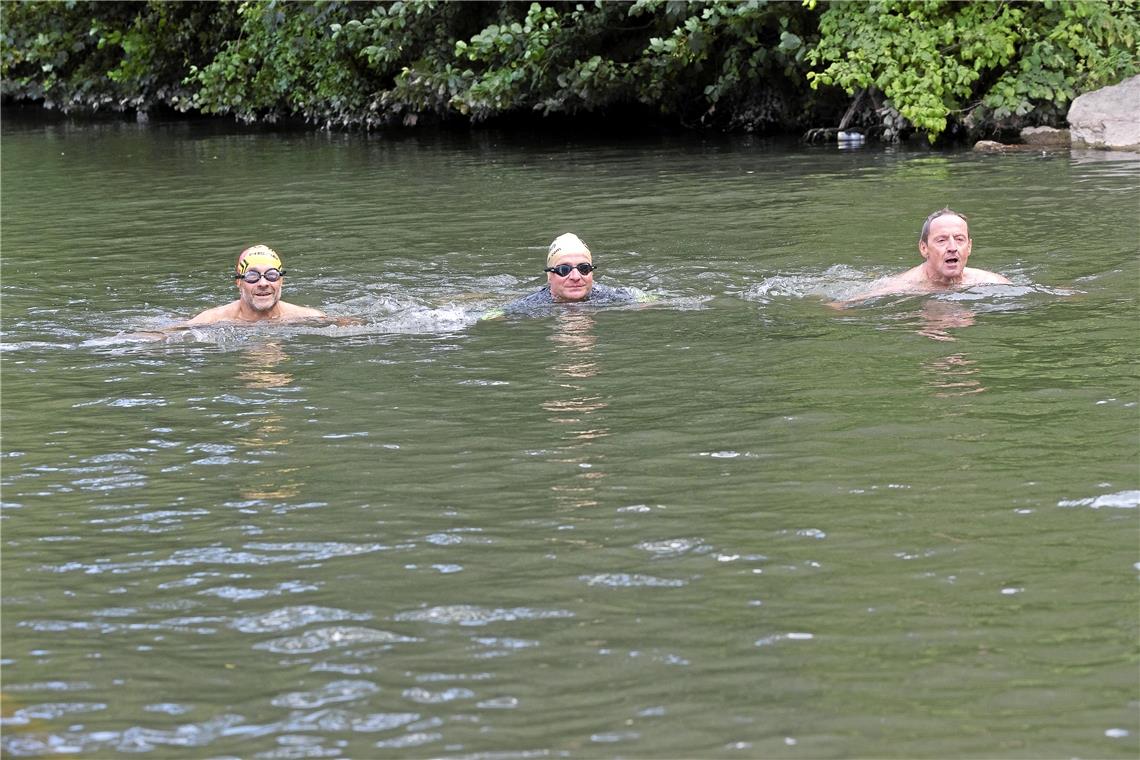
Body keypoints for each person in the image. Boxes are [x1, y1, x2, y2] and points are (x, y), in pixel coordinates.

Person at [839, 208, 1011, 303]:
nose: (952, 247)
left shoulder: (989, 281)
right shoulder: (903, 286)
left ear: (969, 247)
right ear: (923, 248)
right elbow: (845, 304)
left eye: (959, 239)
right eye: (942, 240)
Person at [492, 233, 649, 316]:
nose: (575, 276)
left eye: (584, 268)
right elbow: (492, 315)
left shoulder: (611, 295)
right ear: (550, 276)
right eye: (564, 270)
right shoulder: (531, 304)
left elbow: (650, 301)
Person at [185, 245, 326, 325]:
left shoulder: (309, 316)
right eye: (252, 276)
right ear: (239, 282)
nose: (263, 283)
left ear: (281, 281)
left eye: (272, 275)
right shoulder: (213, 319)